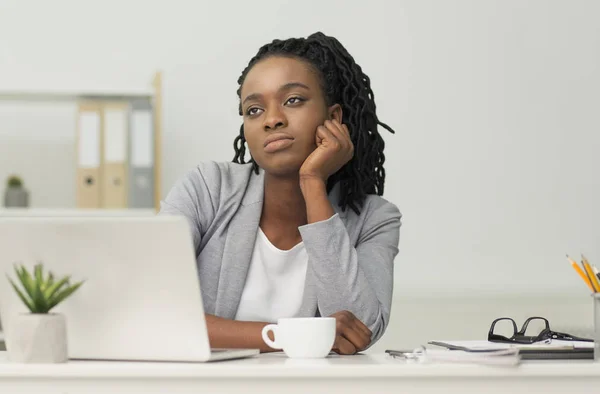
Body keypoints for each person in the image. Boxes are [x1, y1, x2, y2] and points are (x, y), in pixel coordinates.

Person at [159, 32, 402, 355]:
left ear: (333, 119)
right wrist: (290, 336)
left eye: (293, 100)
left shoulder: (374, 219)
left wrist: (313, 182)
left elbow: (359, 331)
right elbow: (154, 312)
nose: (272, 120)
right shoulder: (208, 188)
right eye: (254, 110)